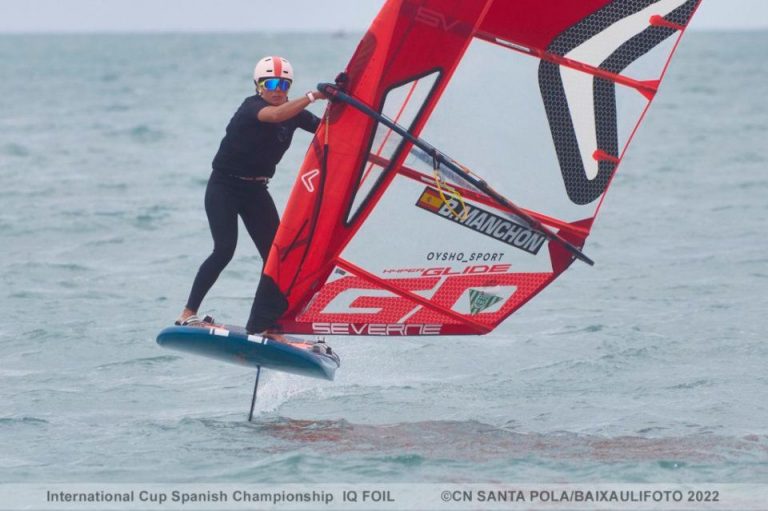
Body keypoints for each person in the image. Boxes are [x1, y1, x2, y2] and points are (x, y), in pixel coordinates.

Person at [176, 56, 326, 326]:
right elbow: (276, 115)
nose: (278, 89)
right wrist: (315, 95)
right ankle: (188, 314)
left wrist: (343, 98)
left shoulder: (294, 114)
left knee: (277, 258)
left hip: (256, 190)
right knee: (224, 250)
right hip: (225, 186)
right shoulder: (252, 107)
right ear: (258, 85)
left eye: (284, 84)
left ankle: (267, 323)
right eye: (271, 83)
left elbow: (328, 129)